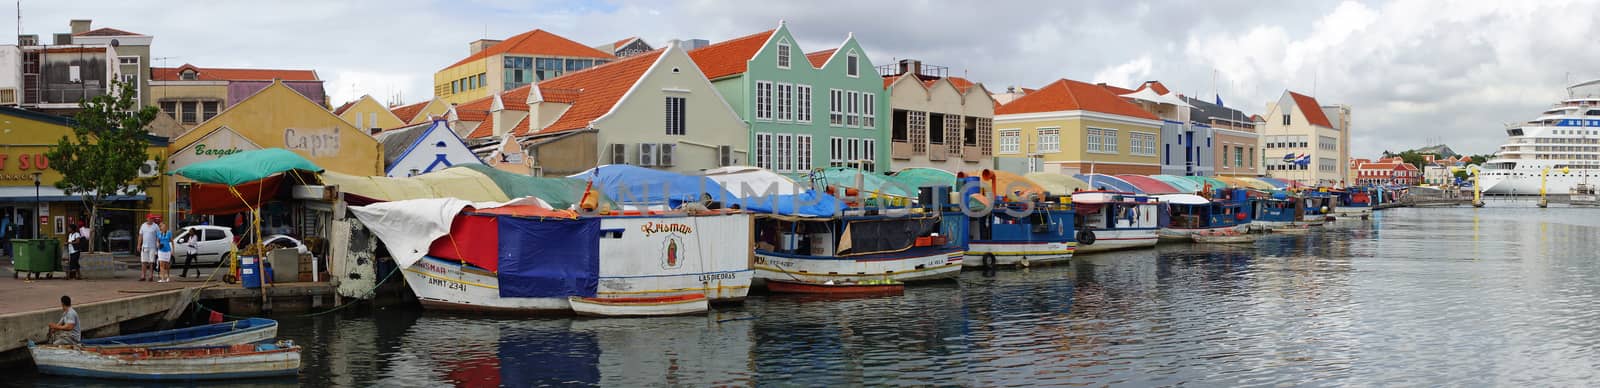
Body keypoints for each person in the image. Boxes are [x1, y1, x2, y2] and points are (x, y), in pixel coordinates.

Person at [137, 214, 160, 282]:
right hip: (144, 246)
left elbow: (158, 236)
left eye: (152, 219)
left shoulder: (156, 226)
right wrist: (138, 245)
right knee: (143, 261)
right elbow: (140, 236)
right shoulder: (143, 225)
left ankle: (151, 276)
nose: (151, 220)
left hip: (152, 247)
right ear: (147, 218)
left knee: (151, 262)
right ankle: (143, 275)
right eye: (150, 218)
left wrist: (158, 243)